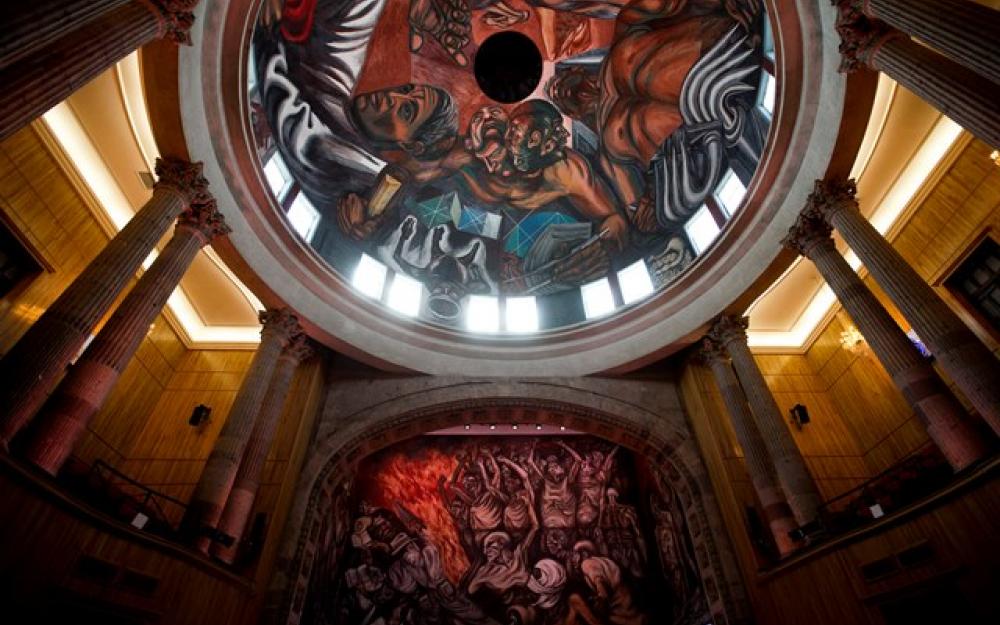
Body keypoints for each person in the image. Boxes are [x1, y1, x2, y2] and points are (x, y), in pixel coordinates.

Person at [545, 0, 763, 224]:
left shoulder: (624, 33)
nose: (557, 92)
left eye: (559, 83)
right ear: (573, 115)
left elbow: (665, 4)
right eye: (557, 99)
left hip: (723, 54)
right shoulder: (609, 154)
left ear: (577, 68)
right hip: (709, 132)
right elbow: (637, 212)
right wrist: (650, 203)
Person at [565, 540, 646, 625]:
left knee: (574, 600)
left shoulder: (586, 564)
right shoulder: (600, 561)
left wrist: (601, 598)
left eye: (575, 554)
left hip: (619, 611)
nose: (572, 558)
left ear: (583, 554)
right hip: (627, 604)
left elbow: (599, 581)